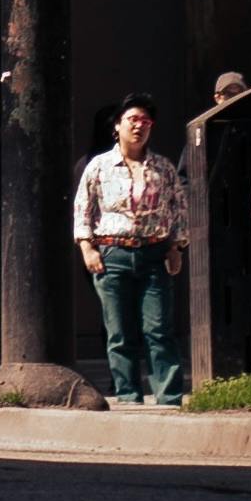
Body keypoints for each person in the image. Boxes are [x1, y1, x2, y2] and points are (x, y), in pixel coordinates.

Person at [72, 90, 189, 397]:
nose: (139, 126)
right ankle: (128, 394)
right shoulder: (98, 166)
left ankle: (169, 395)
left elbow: (179, 208)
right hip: (113, 254)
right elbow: (83, 207)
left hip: (153, 252)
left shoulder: (162, 168)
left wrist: (177, 247)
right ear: (118, 126)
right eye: (132, 119)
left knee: (158, 328)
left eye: (146, 121)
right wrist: (87, 247)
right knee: (119, 332)